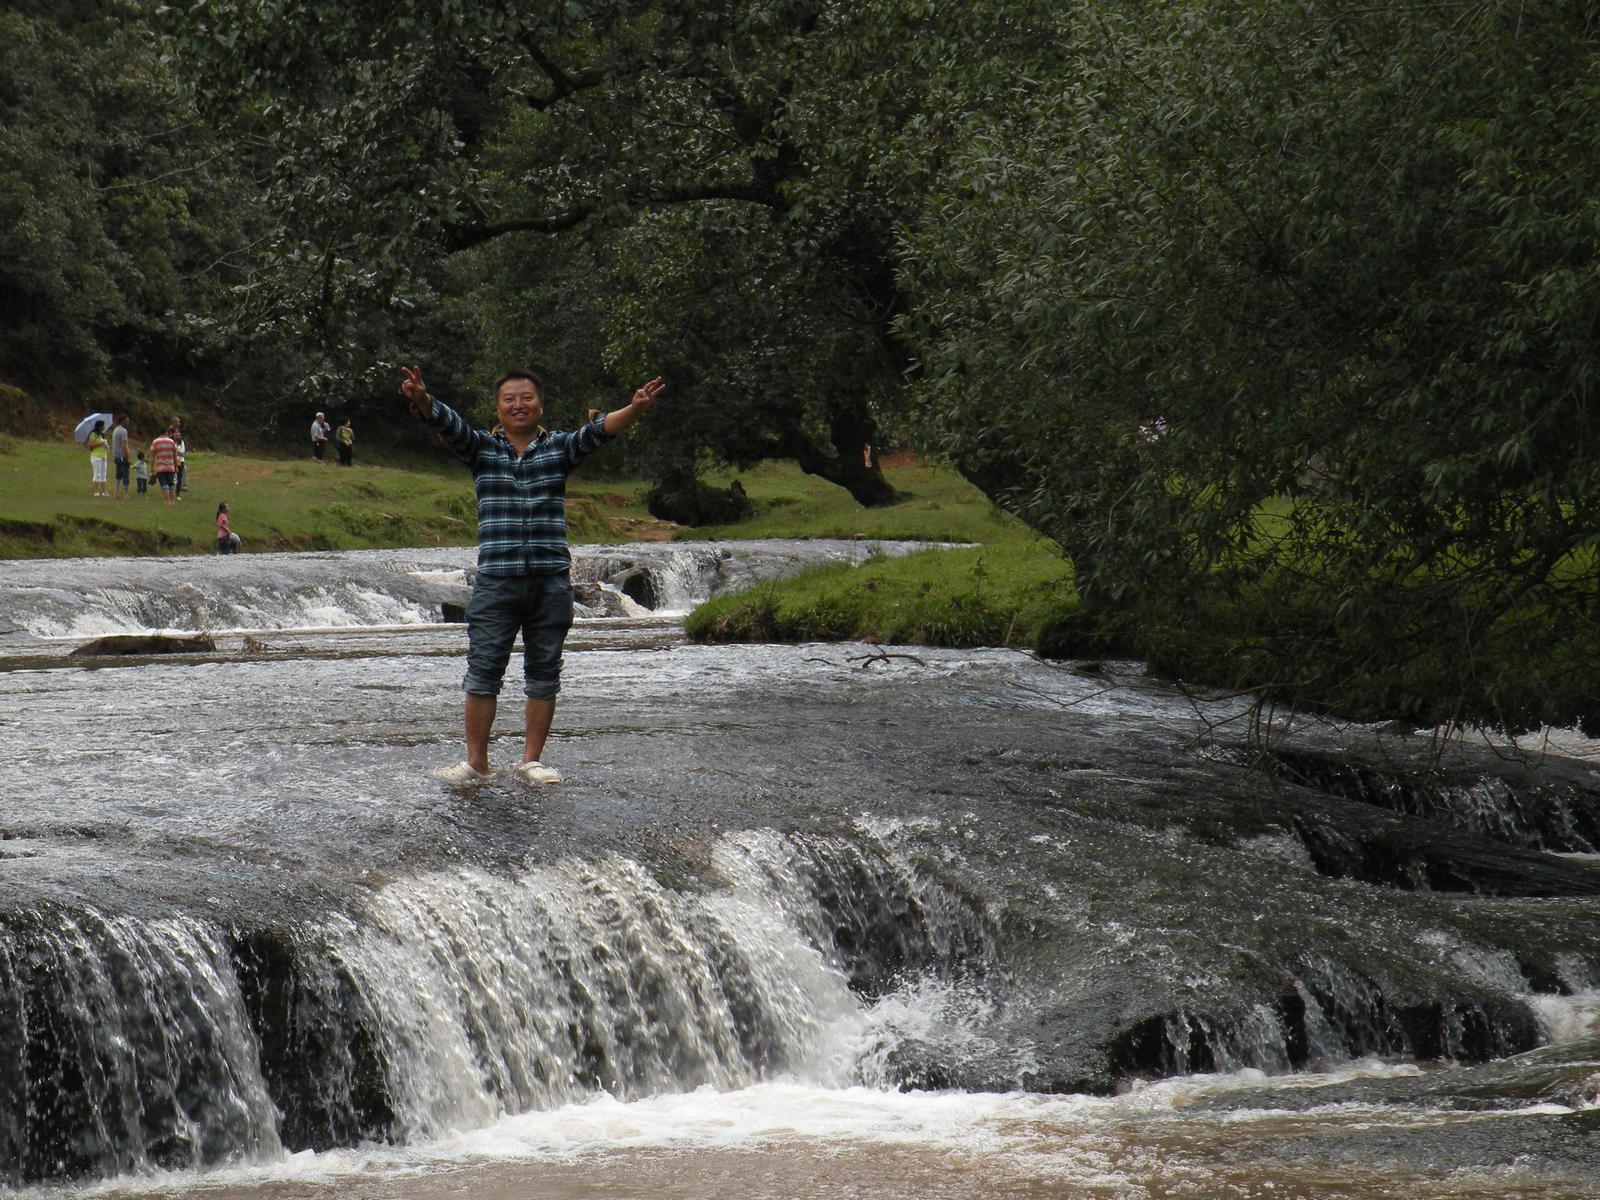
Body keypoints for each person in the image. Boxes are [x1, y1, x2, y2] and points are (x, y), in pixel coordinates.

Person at [400, 364, 664, 785]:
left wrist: (634, 408)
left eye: (526, 398)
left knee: (544, 671)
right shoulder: (482, 449)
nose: (518, 405)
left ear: (540, 404)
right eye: (509, 399)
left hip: (549, 581)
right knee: (483, 670)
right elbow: (451, 426)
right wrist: (423, 400)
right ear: (498, 407)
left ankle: (531, 761)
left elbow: (597, 432)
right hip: (496, 581)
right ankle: (476, 764)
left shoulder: (559, 448)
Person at [149, 425, 179, 507]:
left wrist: (151, 469)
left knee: (164, 484)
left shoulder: (155, 442)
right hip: (170, 467)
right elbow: (175, 456)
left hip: (160, 467)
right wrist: (176, 466)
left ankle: (167, 501)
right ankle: (172, 501)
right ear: (166, 432)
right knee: (171, 484)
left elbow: (152, 457)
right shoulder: (172, 442)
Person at [111, 414, 132, 500]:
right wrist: (128, 457)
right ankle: (125, 494)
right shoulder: (123, 431)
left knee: (118, 475)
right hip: (122, 456)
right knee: (125, 476)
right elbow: (124, 445)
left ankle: (115, 494)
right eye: (127, 420)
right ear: (122, 421)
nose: (128, 422)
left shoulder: (116, 430)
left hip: (116, 456)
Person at [86, 421, 109, 497]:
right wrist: (100, 443)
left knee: (103, 474)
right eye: (103, 425)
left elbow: (105, 444)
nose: (104, 427)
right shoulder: (93, 434)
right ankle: (96, 491)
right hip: (96, 456)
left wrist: (106, 446)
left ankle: (104, 491)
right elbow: (90, 445)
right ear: (99, 426)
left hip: (104, 456)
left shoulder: (102, 435)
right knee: (97, 474)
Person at [172, 419, 188, 498]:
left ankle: (177, 493)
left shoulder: (182, 443)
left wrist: (176, 451)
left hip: (180, 461)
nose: (177, 436)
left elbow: (182, 453)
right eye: (176, 434)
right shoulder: (171, 442)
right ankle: (171, 492)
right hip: (172, 461)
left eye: (179, 435)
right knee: (172, 477)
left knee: (179, 477)